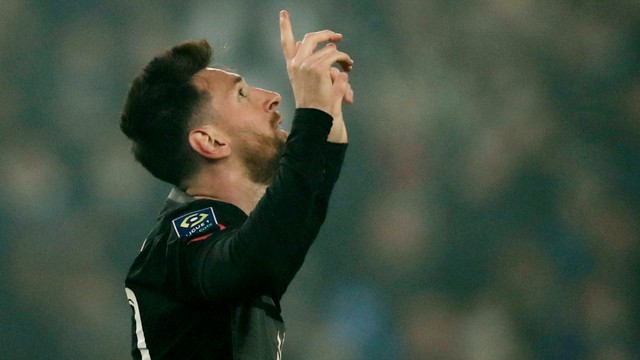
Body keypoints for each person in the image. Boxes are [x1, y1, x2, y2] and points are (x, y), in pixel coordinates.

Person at [119, 10, 354, 359]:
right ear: (210, 142)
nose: (273, 97)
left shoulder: (231, 240)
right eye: (242, 94)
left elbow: (287, 236)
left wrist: (325, 134)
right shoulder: (177, 241)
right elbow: (259, 256)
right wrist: (310, 117)